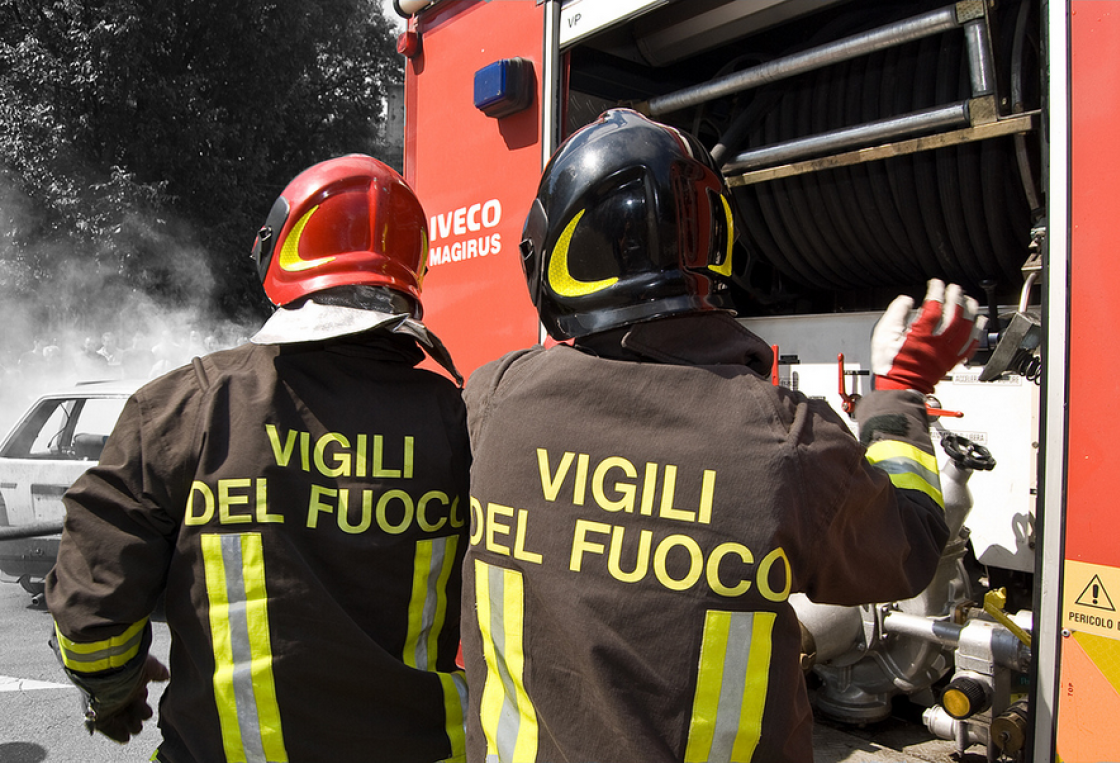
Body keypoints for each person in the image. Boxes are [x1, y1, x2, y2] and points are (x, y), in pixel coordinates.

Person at [459, 109, 986, 763]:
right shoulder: (788, 439)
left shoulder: (491, 402)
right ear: (713, 249)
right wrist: (901, 390)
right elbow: (905, 549)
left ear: (550, 252)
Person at [46, 155, 470, 763]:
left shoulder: (182, 408)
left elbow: (93, 605)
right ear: (411, 275)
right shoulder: (460, 420)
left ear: (276, 253)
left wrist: (113, 688)